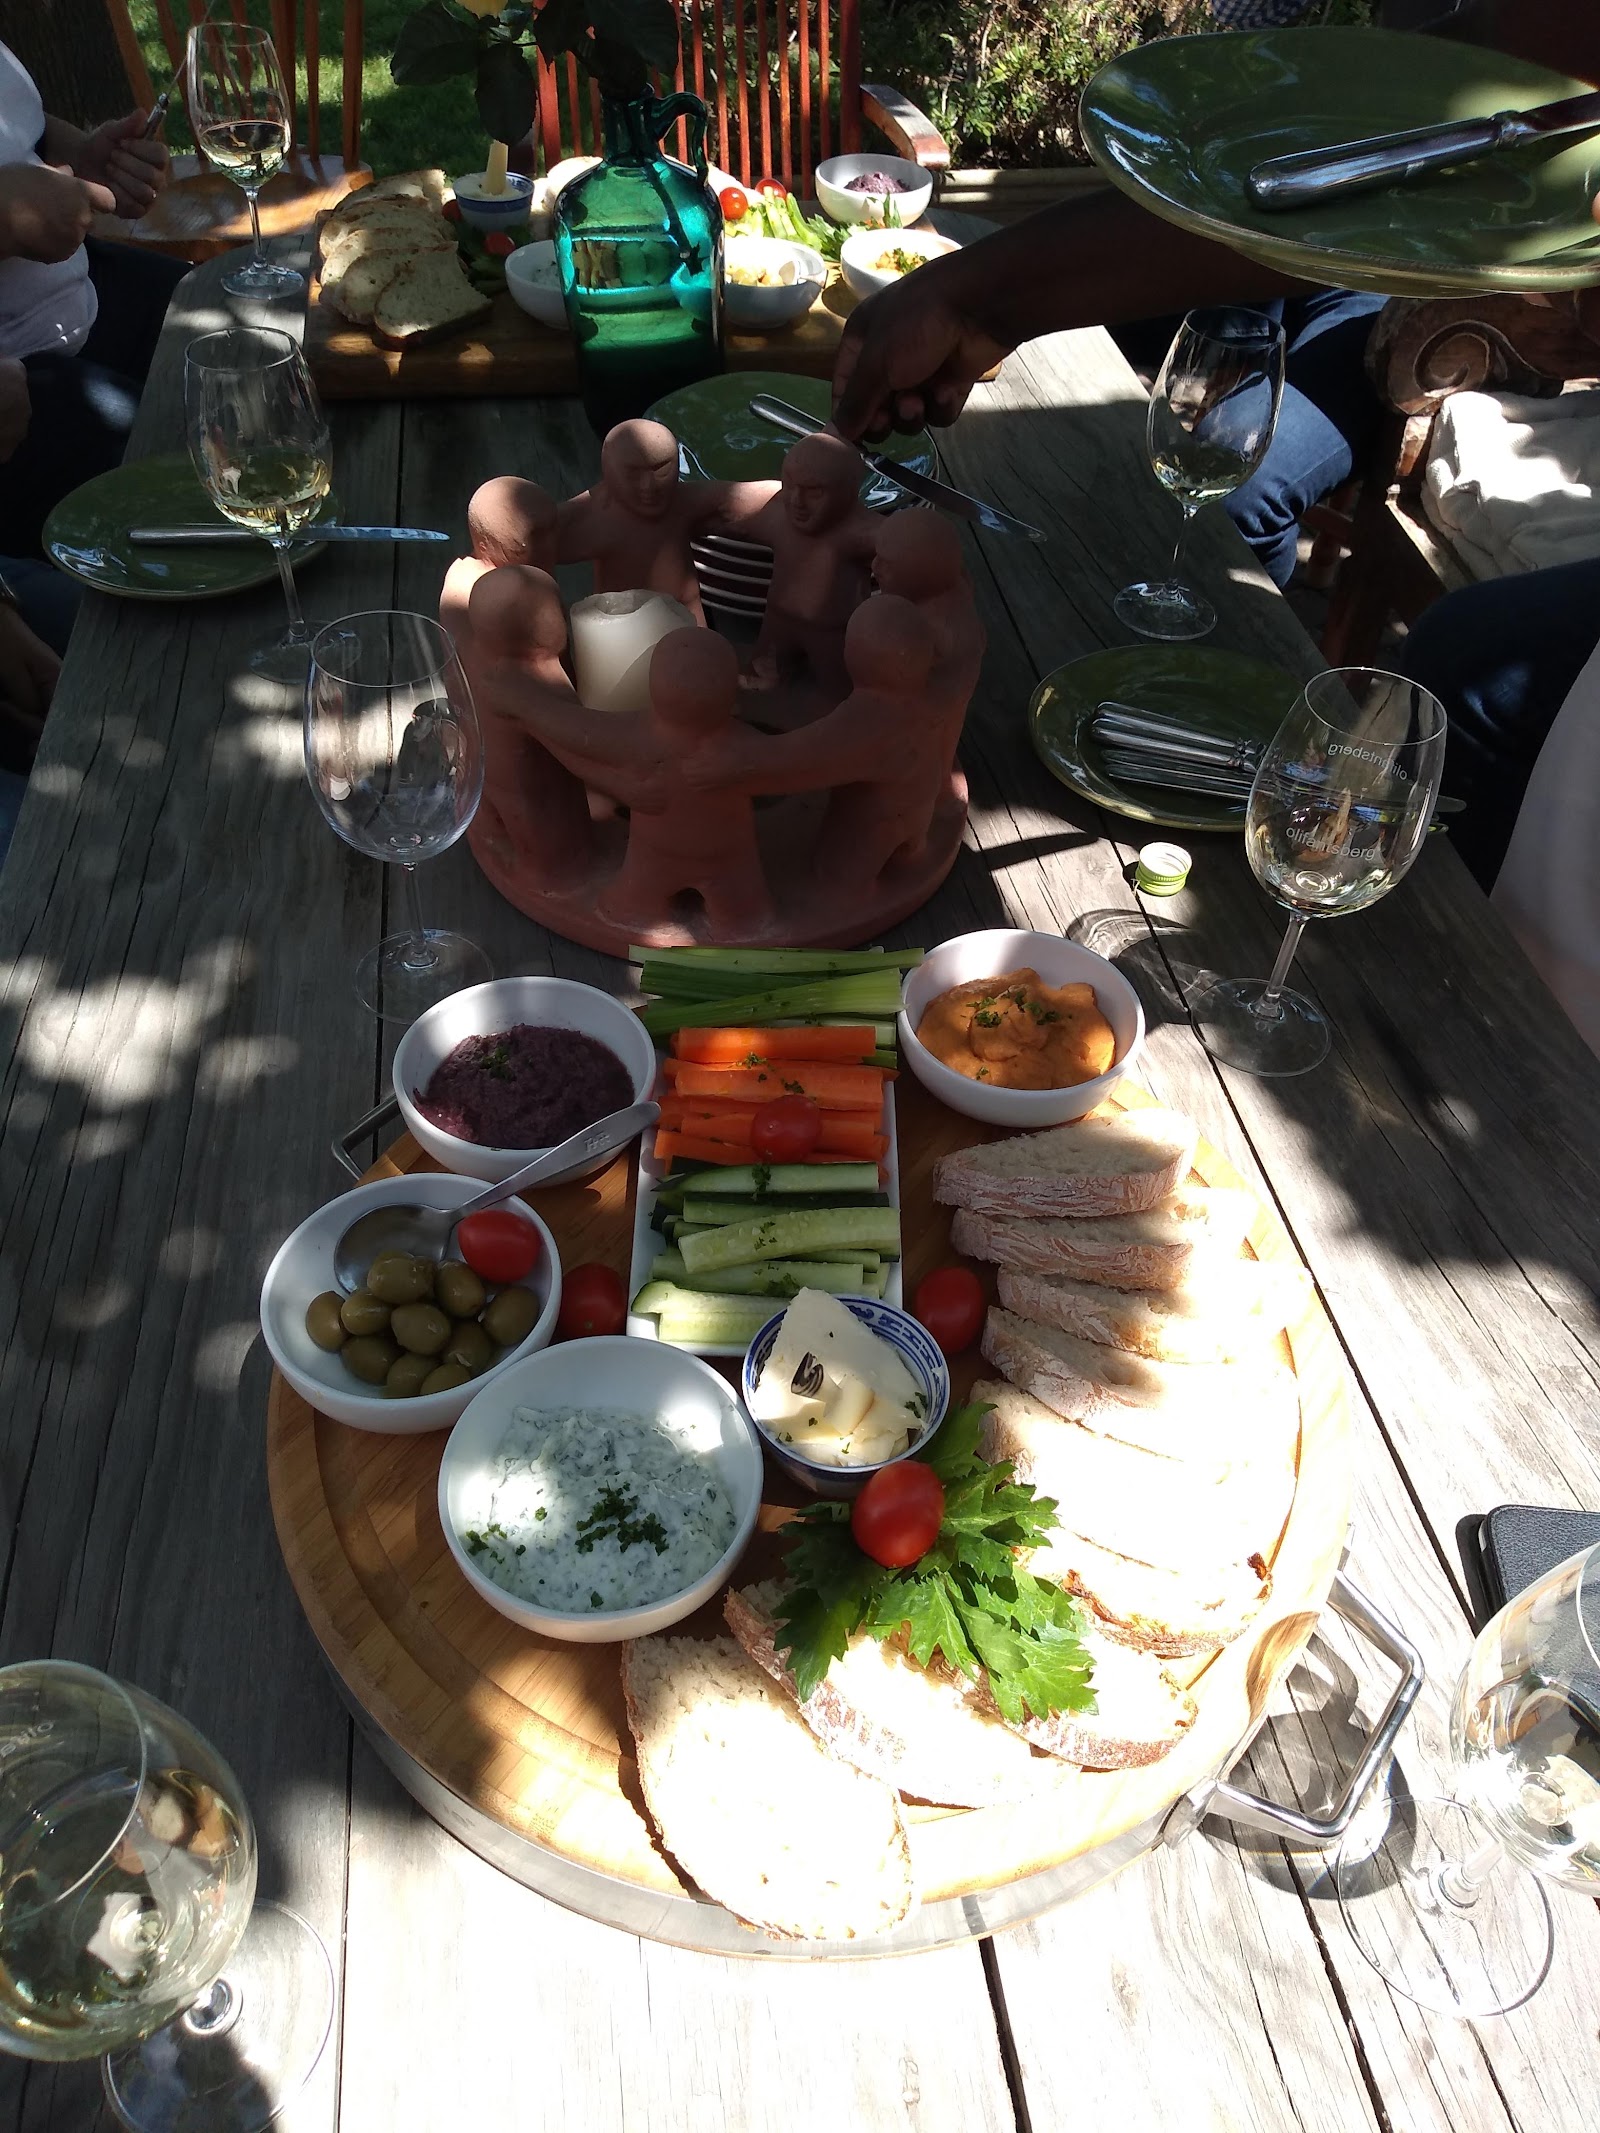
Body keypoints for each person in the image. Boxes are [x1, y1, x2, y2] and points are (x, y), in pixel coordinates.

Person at [829, 3, 1599, 590]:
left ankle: (1217, 651)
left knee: (1236, 485)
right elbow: (1268, 112)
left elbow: (1499, 147)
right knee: (1099, 379)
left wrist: (977, 297)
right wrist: (979, 300)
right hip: (1284, 242)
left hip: (1408, 308)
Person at [0, 39, 182, 560]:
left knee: (260, 355)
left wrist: (80, 155)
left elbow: (17, 119)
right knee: (197, 475)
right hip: (17, 385)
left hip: (81, 289)